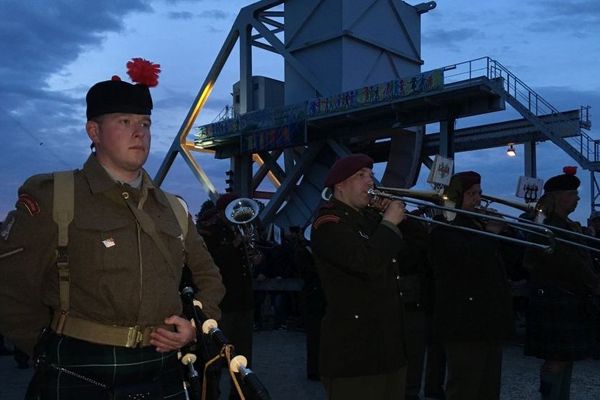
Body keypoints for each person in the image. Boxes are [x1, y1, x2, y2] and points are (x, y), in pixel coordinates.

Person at [0, 58, 225, 399]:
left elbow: (209, 276)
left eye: (146, 123)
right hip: (80, 369)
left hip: (162, 367)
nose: (140, 132)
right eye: (125, 122)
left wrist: (196, 324)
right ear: (94, 132)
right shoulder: (55, 196)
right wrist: (45, 347)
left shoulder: (172, 207)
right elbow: (11, 286)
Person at [311, 153, 408, 400]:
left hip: (388, 348)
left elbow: (417, 251)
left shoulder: (368, 220)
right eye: (361, 176)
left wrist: (398, 220)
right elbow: (365, 263)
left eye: (371, 175)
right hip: (354, 353)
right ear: (340, 184)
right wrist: (388, 224)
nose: (371, 182)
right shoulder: (329, 223)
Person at [428, 171, 514, 400]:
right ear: (456, 196)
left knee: (488, 387)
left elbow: (509, 265)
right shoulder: (443, 228)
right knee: (465, 386)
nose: (477, 199)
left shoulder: (477, 224)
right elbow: (463, 264)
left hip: (488, 320)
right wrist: (490, 234)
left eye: (479, 193)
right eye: (471, 194)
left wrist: (506, 233)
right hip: (463, 321)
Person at [523, 166, 600, 399]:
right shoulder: (547, 226)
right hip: (556, 297)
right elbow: (564, 263)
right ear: (558, 197)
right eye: (572, 194)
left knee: (566, 360)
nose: (577, 198)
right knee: (556, 360)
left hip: (569, 298)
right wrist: (594, 282)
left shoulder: (568, 225)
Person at [199, 192, 258, 399]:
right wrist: (234, 244)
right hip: (225, 302)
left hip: (243, 300)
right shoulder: (211, 231)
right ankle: (211, 394)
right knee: (216, 354)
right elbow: (210, 261)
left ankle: (239, 394)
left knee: (243, 354)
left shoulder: (239, 228)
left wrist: (254, 259)